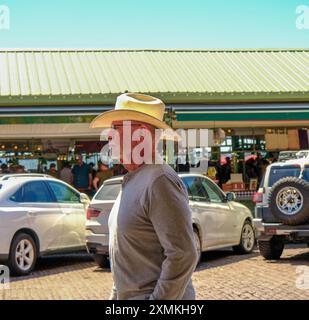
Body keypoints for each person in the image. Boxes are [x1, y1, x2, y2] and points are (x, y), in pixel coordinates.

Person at [90, 93, 198, 300]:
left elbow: (183, 254)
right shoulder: (136, 178)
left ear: (140, 136)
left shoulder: (160, 180)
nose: (109, 136)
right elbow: (126, 266)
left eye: (116, 128)